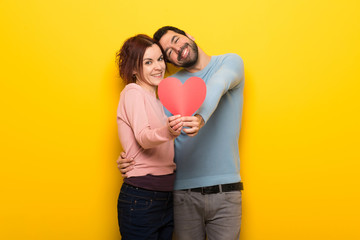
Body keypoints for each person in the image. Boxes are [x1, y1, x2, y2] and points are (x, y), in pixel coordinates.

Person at [118, 26, 245, 240]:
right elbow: (154, 133)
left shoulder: (229, 62)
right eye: (168, 53)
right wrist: (130, 156)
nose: (177, 50)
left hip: (226, 191)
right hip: (180, 194)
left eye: (176, 40)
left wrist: (200, 118)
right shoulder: (166, 88)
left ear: (189, 35)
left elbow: (217, 84)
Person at [115, 34, 184, 240]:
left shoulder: (158, 101)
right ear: (134, 69)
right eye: (148, 62)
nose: (158, 67)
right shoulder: (133, 92)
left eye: (160, 59)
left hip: (165, 196)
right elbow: (144, 137)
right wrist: (169, 132)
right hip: (142, 197)